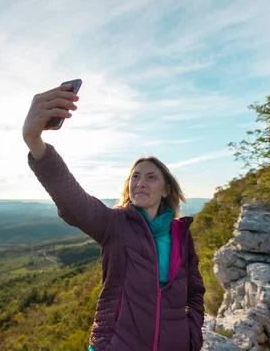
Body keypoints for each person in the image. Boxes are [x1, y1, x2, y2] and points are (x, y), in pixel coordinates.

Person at [23, 82, 206, 351]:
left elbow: (194, 291)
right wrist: (35, 142)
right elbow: (73, 201)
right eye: (135, 176)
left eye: (151, 177)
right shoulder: (115, 225)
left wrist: (191, 336)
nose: (140, 183)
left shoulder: (181, 234)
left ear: (167, 189)